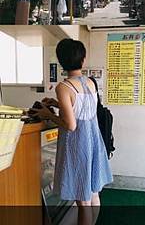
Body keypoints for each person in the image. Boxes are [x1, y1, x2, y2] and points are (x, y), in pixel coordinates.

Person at [31, 39, 112, 225]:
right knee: (92, 194)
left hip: (78, 144)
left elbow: (71, 125)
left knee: (82, 201)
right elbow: (83, 110)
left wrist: (47, 114)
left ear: (61, 61)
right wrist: (58, 104)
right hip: (93, 140)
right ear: (83, 60)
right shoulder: (90, 82)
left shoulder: (63, 87)